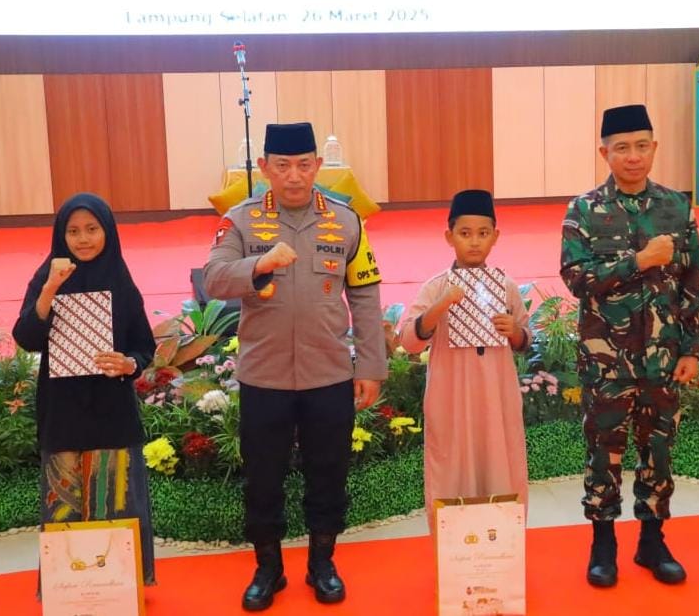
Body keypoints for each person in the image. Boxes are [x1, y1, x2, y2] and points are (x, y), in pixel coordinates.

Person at [204, 122, 387, 610]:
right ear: (264, 167)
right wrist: (258, 265)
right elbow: (214, 279)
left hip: (329, 374)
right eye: (282, 166)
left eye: (304, 165)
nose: (294, 176)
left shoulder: (346, 221)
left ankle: (322, 563)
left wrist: (371, 366)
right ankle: (269, 568)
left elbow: (365, 296)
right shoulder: (241, 221)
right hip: (264, 377)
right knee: (263, 479)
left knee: (329, 474)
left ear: (318, 166)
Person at [560, 104, 699, 587]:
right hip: (607, 360)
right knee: (603, 450)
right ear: (604, 153)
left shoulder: (676, 207)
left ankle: (652, 541)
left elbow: (693, 281)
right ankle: (603, 544)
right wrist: (638, 261)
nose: (633, 156)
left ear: (654, 148)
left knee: (658, 448)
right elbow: (575, 278)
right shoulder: (584, 210)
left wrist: (691, 348)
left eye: (642, 146)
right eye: (622, 148)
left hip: (663, 357)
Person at [12, 193, 157, 587]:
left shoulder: (121, 281)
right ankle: (69, 590)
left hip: (112, 411)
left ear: (108, 231)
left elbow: (144, 346)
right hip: (63, 413)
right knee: (62, 507)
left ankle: (120, 589)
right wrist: (50, 289)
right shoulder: (46, 278)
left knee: (117, 500)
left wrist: (128, 364)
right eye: (73, 231)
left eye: (92, 229)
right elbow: (26, 337)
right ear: (61, 236)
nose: (83, 239)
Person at [399, 190, 530, 530]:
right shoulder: (436, 287)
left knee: (501, 468)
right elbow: (409, 341)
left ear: (495, 237)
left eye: (483, 233)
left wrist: (514, 330)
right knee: (450, 473)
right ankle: (455, 554)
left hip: (496, 401)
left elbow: (525, 340)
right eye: (465, 233)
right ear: (449, 237)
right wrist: (441, 306)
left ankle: (500, 550)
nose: (474, 242)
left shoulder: (506, 287)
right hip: (451, 401)